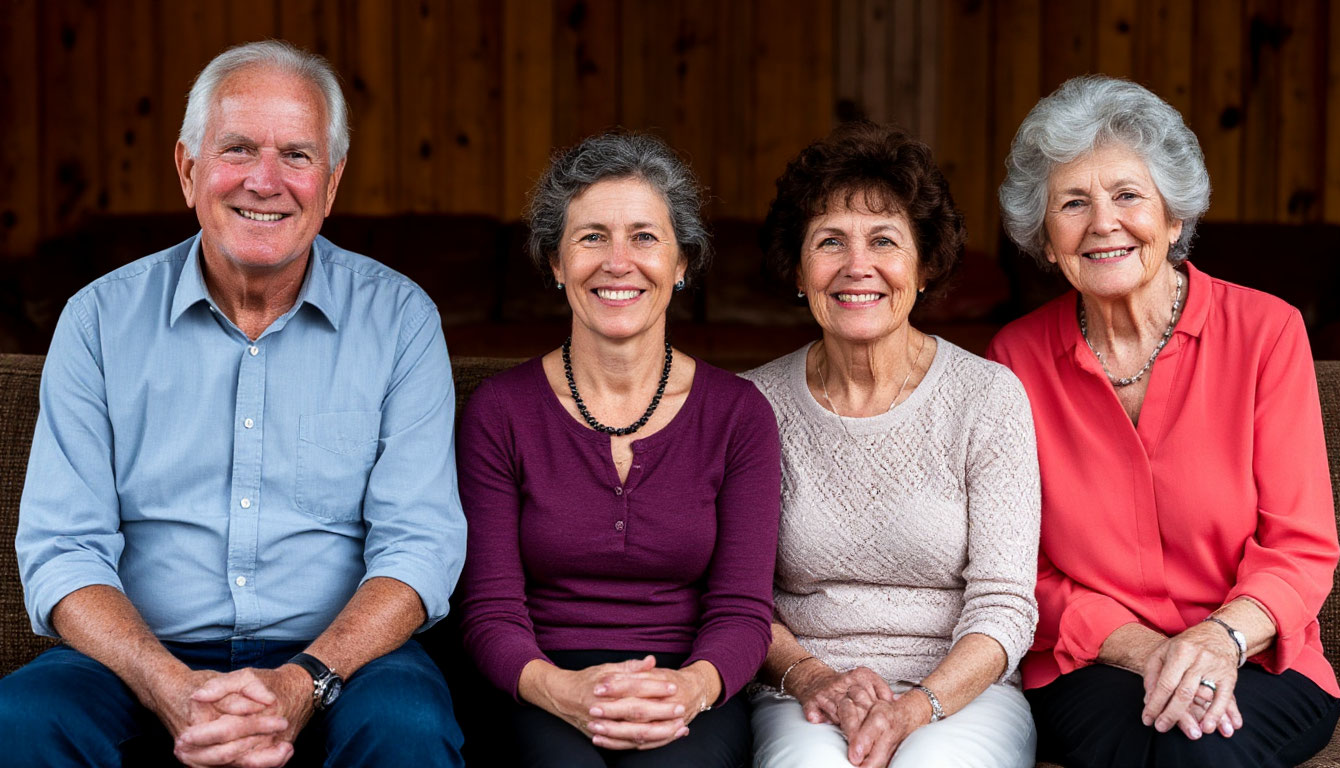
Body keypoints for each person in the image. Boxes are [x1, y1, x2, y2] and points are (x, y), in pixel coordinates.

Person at [0, 41, 467, 768]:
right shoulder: (97, 320)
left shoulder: (400, 320)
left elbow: (420, 547)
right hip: (139, 657)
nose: (265, 180)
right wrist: (168, 685)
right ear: (188, 169)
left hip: (340, 661)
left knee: (407, 726)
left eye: (298, 156)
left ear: (332, 182)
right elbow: (63, 548)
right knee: (22, 721)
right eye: (239, 148)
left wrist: (303, 680)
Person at [986, 75, 1340, 767]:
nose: (1103, 222)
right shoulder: (1014, 361)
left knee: (1200, 744)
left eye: (1127, 195)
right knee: (1171, 739)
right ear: (1046, 238)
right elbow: (1019, 569)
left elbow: (1301, 547)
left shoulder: (1267, 333)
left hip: (1260, 655)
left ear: (1174, 217)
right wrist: (1154, 652)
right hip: (1092, 664)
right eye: (1073, 203)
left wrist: (1216, 643)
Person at [456, 132, 781, 768]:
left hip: (687, 681)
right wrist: (561, 689)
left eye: (644, 236)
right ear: (556, 262)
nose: (618, 260)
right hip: (537, 680)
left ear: (682, 262)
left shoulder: (739, 415)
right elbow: (488, 608)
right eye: (591, 237)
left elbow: (744, 609)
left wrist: (691, 688)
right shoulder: (500, 412)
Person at [744, 121, 1040, 768]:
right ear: (797, 269)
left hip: (962, 697)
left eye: (884, 240)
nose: (858, 267)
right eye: (829, 243)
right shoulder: (751, 408)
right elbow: (738, 597)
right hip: (803, 693)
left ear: (924, 266)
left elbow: (1006, 605)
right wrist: (815, 680)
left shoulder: (988, 399)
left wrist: (917, 706)